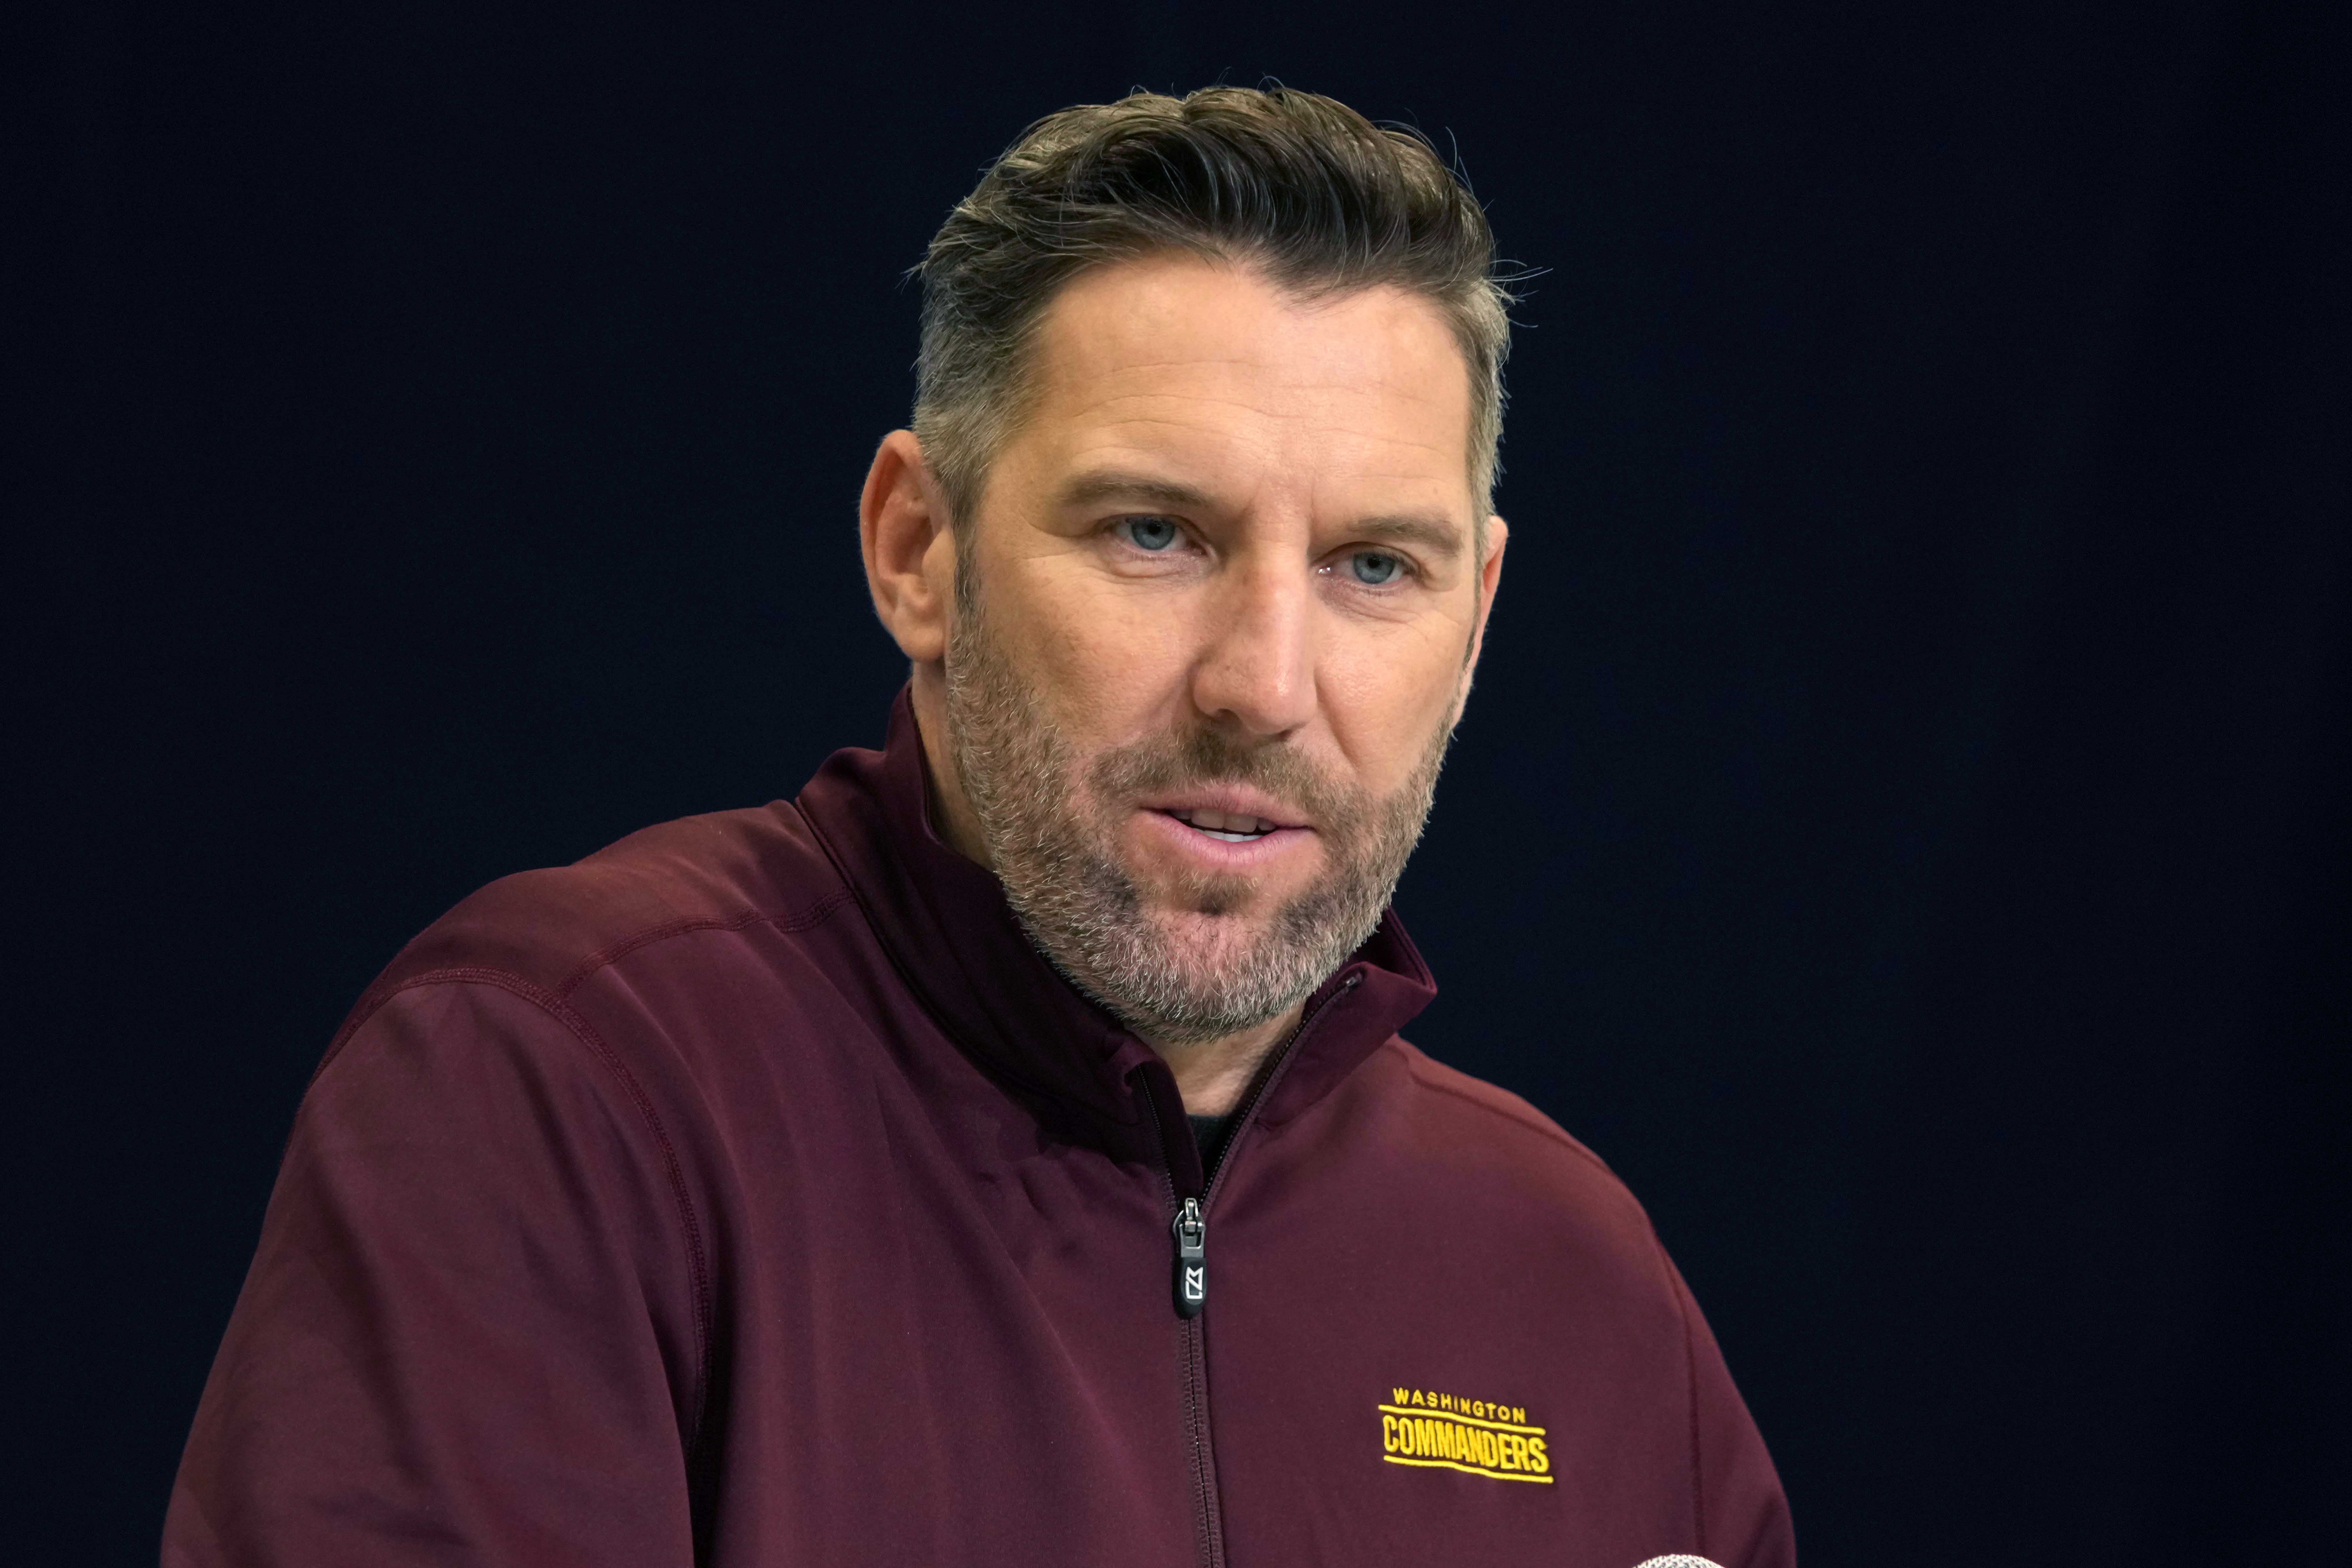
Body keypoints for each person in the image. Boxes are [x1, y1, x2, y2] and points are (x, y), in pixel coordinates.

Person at [165, 86, 1793, 1567]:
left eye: (1374, 566)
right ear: (916, 549)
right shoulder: (570, 1089)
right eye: (1155, 532)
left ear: (1479, 615)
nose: (1264, 684)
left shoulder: (1573, 1282)